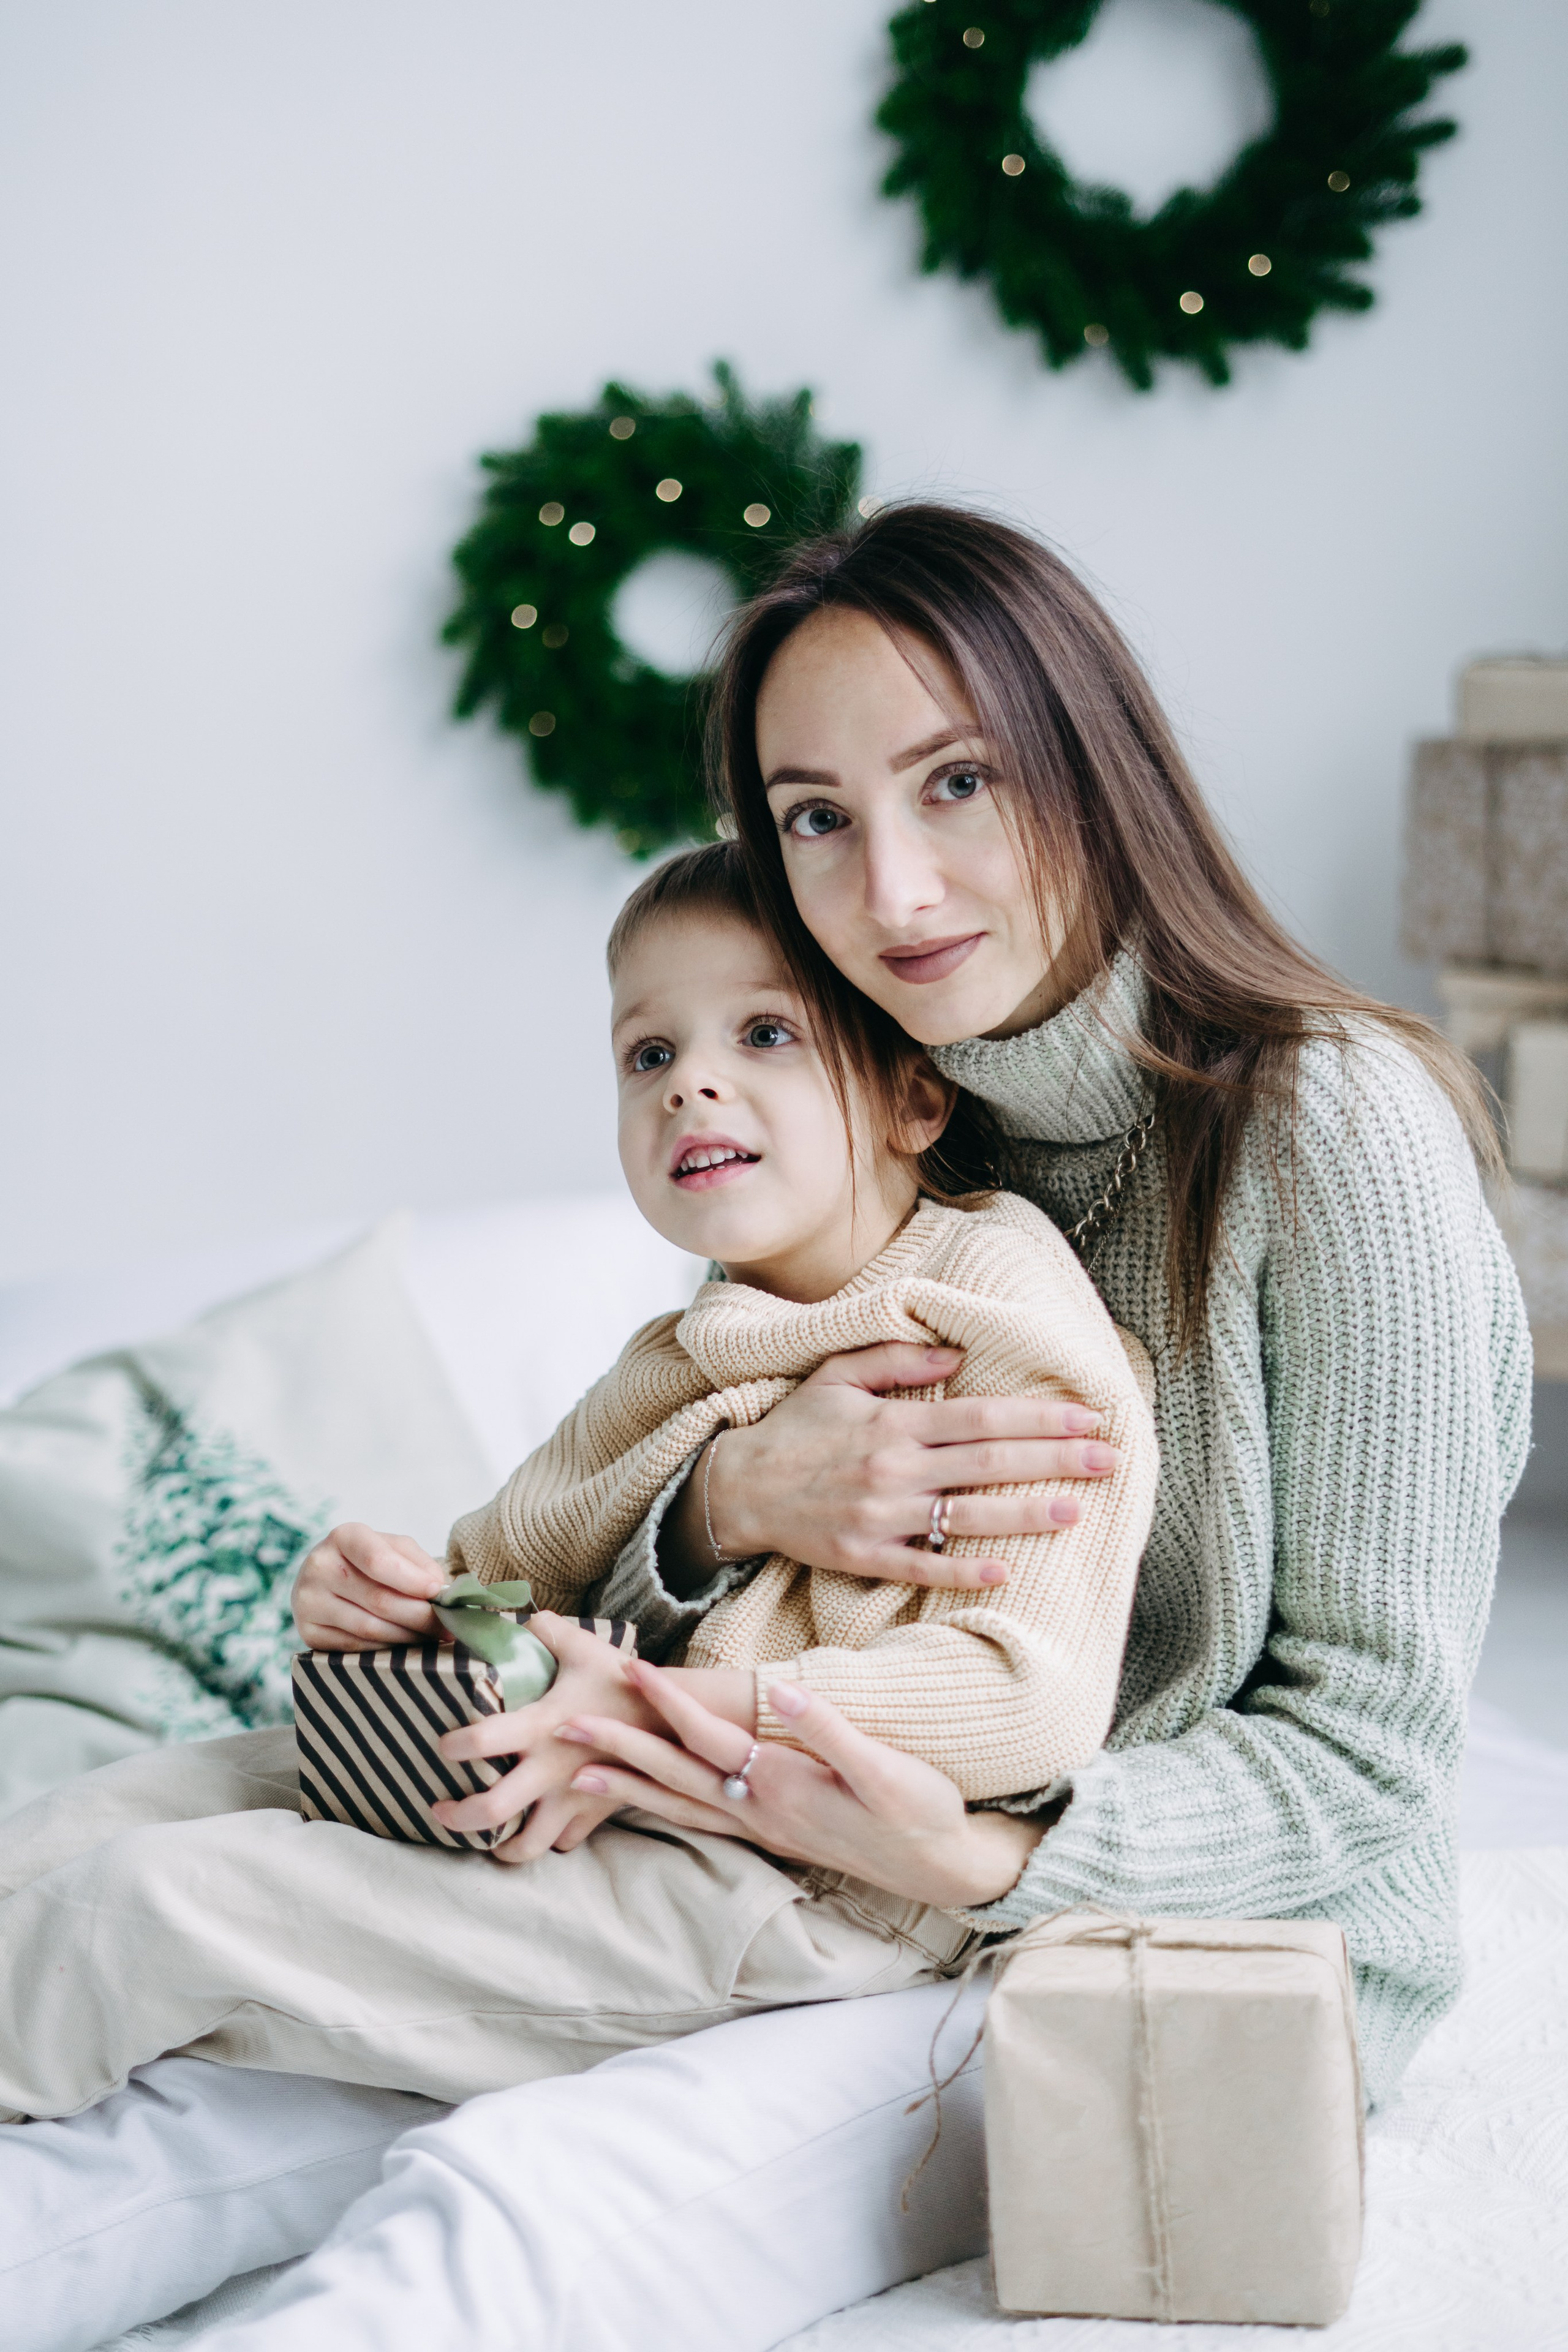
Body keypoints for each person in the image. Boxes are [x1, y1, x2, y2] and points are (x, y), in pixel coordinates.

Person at [2, 503, 1529, 2352]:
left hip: (1151, 1952)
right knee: (167, 2003)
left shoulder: (1332, 1133)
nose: (894, 890)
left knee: (495, 2202)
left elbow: (1367, 1762)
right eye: (816, 816)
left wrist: (971, 1856)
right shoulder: (870, 1096)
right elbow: (698, 1607)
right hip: (768, 1832)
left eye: (956, 783)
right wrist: (716, 1506)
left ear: (1091, 761)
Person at [0, 839, 1158, 2125]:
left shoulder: (994, 1307)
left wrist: (651, 1713)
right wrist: (389, 1597)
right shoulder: (683, 1348)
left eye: (765, 1033)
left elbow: (1027, 1702)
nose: (689, 1084)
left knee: (146, 1910)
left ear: (912, 1099)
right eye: (648, 1054)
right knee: (109, 1812)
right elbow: (499, 1571)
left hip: (807, 1884)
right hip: (606, 1792)